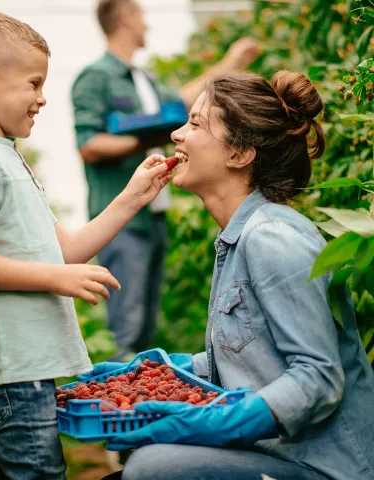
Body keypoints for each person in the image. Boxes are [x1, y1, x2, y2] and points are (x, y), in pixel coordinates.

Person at [84, 70, 374, 480]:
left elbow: (318, 378)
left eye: (196, 124)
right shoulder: (238, 237)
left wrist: (219, 421)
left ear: (240, 154)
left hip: (326, 467)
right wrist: (155, 374)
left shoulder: (272, 239)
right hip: (280, 456)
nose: (176, 135)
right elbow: (252, 356)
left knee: (151, 468)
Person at [0, 10, 174, 480]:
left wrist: (131, 198)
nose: (42, 99)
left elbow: (64, 251)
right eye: (33, 83)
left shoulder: (4, 158)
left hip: (19, 368)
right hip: (9, 371)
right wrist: (54, 278)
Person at [71, 0, 260, 362]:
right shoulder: (96, 78)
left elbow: (191, 101)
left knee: (143, 328)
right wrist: (143, 140)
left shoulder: (145, 80)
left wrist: (234, 60)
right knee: (125, 330)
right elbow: (89, 144)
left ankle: (137, 408)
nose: (148, 25)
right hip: (123, 222)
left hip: (153, 217)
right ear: (126, 17)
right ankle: (114, 409)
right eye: (142, 15)